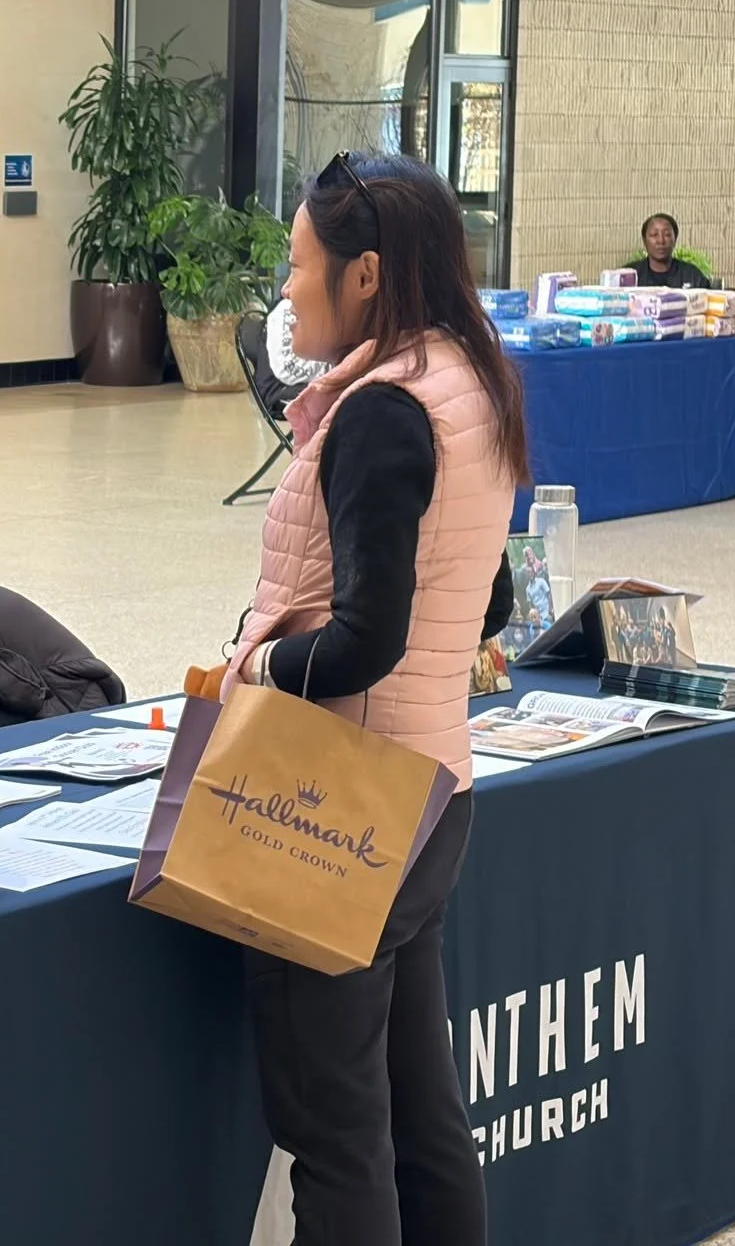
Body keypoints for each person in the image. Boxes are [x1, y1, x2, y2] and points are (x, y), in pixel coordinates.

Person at [224, 151, 528, 1246]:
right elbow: (484, 598)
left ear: (362, 275)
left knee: (334, 1137)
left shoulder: (380, 413)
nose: (285, 288)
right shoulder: (467, 379)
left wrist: (255, 669)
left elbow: (362, 642)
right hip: (431, 787)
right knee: (416, 1115)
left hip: (338, 810)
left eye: (298, 265)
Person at [624, 211, 711, 290]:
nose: (661, 241)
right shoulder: (628, 275)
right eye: (654, 235)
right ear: (645, 240)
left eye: (667, 234)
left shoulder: (692, 275)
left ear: (675, 238)